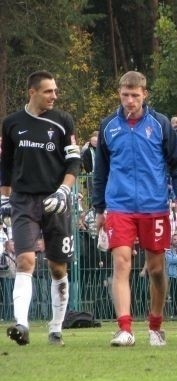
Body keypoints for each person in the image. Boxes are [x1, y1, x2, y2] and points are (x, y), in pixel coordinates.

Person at [93, 71, 177, 347]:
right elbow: (101, 170)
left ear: (145, 94)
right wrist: (100, 208)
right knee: (121, 262)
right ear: (119, 94)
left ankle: (156, 325)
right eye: (125, 95)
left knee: (156, 269)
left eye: (135, 95)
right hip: (119, 206)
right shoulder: (108, 126)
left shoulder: (159, 125)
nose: (130, 100)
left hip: (154, 207)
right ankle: (125, 328)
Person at [1, 70, 81, 346]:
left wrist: (64, 190)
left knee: (58, 267)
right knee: (25, 260)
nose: (54, 96)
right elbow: (6, 166)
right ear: (32, 92)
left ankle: (55, 327)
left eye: (55, 91)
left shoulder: (62, 121)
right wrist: (4, 198)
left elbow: (74, 162)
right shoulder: (11, 123)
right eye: (49, 91)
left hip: (55, 201)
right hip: (23, 200)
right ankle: (21, 324)